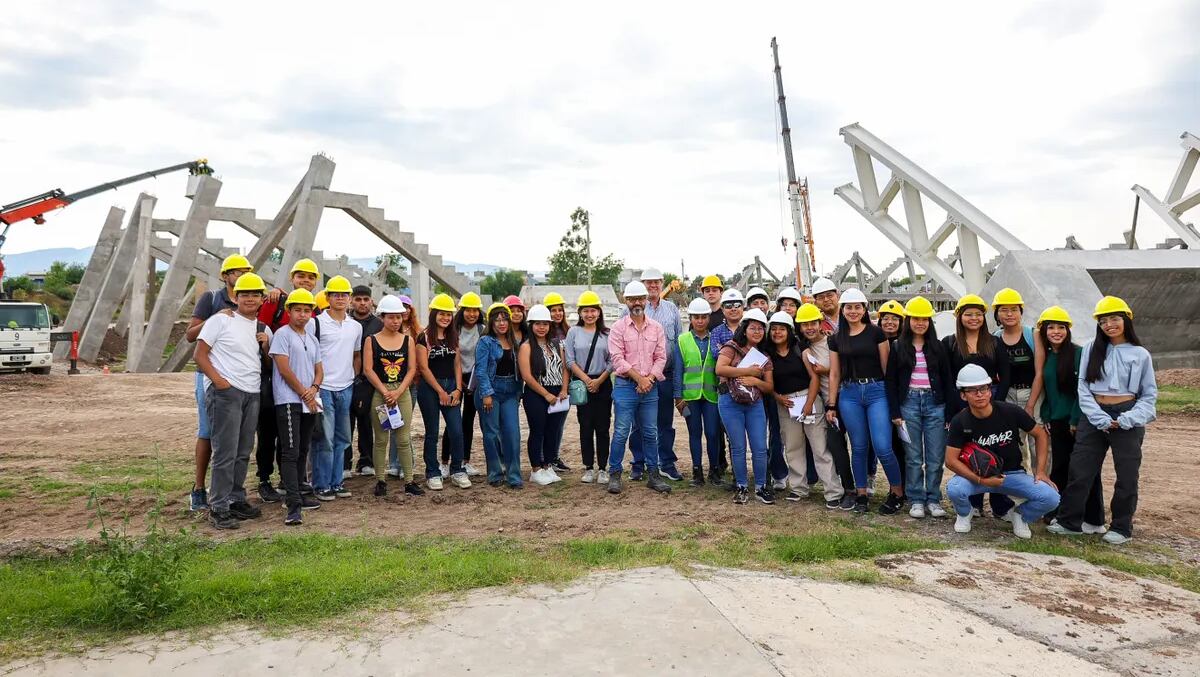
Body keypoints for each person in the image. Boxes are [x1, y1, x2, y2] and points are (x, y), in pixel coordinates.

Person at [1049, 296, 1156, 545]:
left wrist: (1129, 418)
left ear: (1126, 321)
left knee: (1127, 474)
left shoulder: (1140, 354)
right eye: (1104, 321)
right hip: (1094, 414)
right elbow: (1083, 386)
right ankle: (1070, 521)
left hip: (1127, 414)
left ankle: (1121, 526)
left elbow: (1149, 394)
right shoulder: (1091, 348)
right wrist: (1097, 416)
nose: (1109, 325)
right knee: (1081, 469)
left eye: (1114, 319)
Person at [194, 272, 271, 530]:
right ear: (235, 297)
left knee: (242, 451)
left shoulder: (263, 328)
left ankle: (236, 498)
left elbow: (269, 364)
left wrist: (266, 347)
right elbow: (200, 354)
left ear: (262, 299)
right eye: (245, 294)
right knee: (225, 451)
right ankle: (218, 506)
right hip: (227, 393)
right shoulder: (220, 320)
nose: (250, 298)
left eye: (255, 294)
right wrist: (219, 382)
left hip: (252, 393)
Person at [945, 364, 1059, 539]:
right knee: (954, 488)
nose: (979, 394)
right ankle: (964, 512)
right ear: (963, 395)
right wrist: (981, 479)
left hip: (1013, 473)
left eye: (983, 388)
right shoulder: (960, 421)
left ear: (990, 390)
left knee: (1051, 497)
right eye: (972, 390)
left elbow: (1040, 434)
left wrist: (1041, 471)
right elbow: (950, 461)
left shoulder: (1009, 411)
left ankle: (1020, 515)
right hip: (978, 475)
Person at [184, 254, 253, 512]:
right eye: (236, 271)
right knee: (208, 432)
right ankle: (199, 489)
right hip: (211, 378)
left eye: (246, 271)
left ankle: (232, 494)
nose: (241, 275)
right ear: (225, 276)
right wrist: (217, 318)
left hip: (241, 381)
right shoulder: (212, 299)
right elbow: (190, 336)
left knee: (236, 440)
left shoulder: (251, 299)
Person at [826, 288, 904, 515]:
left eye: (857, 307)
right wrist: (831, 404)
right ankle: (861, 494)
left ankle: (897, 492)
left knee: (882, 446)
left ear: (864, 309)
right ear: (843, 310)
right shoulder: (835, 339)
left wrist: (893, 402)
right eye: (849, 307)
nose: (853, 311)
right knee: (858, 447)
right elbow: (834, 374)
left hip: (877, 391)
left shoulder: (876, 333)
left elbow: (886, 368)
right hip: (849, 394)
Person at [256, 259, 322, 502]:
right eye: (301, 276)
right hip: (272, 378)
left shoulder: (314, 312)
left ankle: (290, 481)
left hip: (302, 386)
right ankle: (264, 479)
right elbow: (259, 331)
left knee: (293, 440)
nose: (305, 280)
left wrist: (313, 387)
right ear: (292, 278)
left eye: (310, 277)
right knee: (268, 433)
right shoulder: (275, 303)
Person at [944, 294, 1012, 518]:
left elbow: (1005, 374)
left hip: (990, 402)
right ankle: (973, 503)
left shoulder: (994, 343)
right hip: (962, 405)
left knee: (996, 451)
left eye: (978, 314)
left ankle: (1000, 504)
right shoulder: (950, 343)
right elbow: (948, 379)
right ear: (960, 317)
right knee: (970, 452)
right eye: (968, 314)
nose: (974, 318)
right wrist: (957, 408)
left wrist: (997, 405)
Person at [1034, 307, 1103, 528]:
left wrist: (1075, 419)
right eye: (1051, 327)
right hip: (1056, 421)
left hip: (1076, 421)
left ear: (1068, 330)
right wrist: (1045, 415)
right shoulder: (1046, 356)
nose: (1056, 332)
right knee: (1061, 468)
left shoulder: (1078, 353)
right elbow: (1049, 392)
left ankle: (1094, 518)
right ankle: (1059, 512)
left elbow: (1082, 391)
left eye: (1061, 327)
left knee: (1085, 469)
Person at [885, 296, 952, 518]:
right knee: (913, 456)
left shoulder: (939, 347)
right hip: (909, 403)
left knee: (935, 457)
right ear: (908, 321)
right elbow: (891, 381)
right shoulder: (897, 347)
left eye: (924, 319)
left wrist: (949, 411)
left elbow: (947, 379)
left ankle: (933, 498)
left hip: (935, 404)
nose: (920, 323)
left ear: (930, 322)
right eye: (915, 319)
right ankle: (915, 498)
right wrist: (895, 411)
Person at [768, 311, 843, 508]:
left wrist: (809, 403)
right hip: (786, 405)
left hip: (809, 400)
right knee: (793, 448)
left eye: (781, 329)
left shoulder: (801, 349)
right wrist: (778, 398)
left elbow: (815, 377)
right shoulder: (768, 354)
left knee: (820, 448)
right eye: (774, 329)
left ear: (789, 331)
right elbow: (767, 383)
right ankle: (799, 488)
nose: (777, 333)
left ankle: (833, 491)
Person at [605, 280, 671, 495]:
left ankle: (653, 474)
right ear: (626, 301)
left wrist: (649, 379)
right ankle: (614, 473)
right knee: (622, 432)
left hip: (649, 387)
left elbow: (661, 356)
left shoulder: (657, 328)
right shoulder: (618, 328)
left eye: (640, 299)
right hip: (626, 386)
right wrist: (639, 378)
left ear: (646, 300)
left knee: (651, 432)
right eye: (632, 299)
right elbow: (617, 359)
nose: (637, 303)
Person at [269, 288, 325, 524]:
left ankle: (300, 492)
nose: (302, 315)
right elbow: (284, 368)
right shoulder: (282, 335)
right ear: (289, 311)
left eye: (306, 310)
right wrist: (304, 392)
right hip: (289, 401)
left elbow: (319, 369)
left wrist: (314, 388)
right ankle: (292, 505)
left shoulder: (311, 338)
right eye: (298, 310)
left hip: (308, 401)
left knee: (303, 449)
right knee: (290, 451)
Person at [622, 268, 683, 481]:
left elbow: (678, 342)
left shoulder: (672, 310)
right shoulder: (630, 308)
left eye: (656, 282)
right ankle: (639, 464)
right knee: (638, 424)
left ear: (662, 283)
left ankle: (666, 462)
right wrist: (639, 378)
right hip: (636, 379)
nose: (653, 286)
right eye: (648, 283)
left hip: (664, 375)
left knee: (665, 422)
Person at [362, 295, 422, 497]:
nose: (396, 321)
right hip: (381, 393)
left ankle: (409, 480)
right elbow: (368, 369)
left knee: (403, 438)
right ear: (383, 317)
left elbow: (412, 369)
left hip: (401, 393)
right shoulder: (371, 341)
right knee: (381, 439)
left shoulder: (408, 340)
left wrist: (398, 391)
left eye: (399, 317)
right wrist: (385, 391)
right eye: (391, 317)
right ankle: (380, 480)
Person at [797, 303, 856, 510]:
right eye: (805, 325)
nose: (809, 328)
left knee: (858, 445)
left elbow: (844, 368)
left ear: (820, 323)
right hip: (829, 402)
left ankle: (864, 487)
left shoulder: (834, 341)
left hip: (847, 397)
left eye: (812, 323)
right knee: (836, 446)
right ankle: (848, 489)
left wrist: (826, 369)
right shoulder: (805, 350)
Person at [310, 275, 362, 502]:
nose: (340, 298)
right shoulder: (316, 323)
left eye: (344, 294)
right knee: (325, 439)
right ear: (328, 297)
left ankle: (337, 482)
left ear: (349, 298)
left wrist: (353, 376)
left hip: (346, 387)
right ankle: (321, 484)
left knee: (343, 438)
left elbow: (356, 355)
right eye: (336, 294)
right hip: (324, 388)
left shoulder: (355, 327)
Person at [715, 308, 775, 504]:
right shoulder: (731, 347)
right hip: (729, 402)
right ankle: (741, 486)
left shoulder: (764, 355)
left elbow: (769, 386)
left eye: (760, 329)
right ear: (745, 329)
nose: (757, 332)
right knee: (738, 446)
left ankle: (760, 487)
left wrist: (755, 381)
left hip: (754, 403)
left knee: (759, 447)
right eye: (753, 328)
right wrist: (747, 370)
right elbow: (720, 369)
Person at [416, 293, 468, 490]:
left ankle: (457, 470)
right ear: (433, 314)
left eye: (449, 314)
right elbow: (424, 368)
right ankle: (432, 472)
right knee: (432, 432)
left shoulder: (452, 336)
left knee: (456, 430)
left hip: (451, 386)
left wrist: (457, 388)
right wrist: (440, 391)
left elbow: (457, 364)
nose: (446, 318)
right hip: (430, 389)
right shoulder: (423, 337)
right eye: (442, 314)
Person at [520, 305, 571, 485]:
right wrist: (546, 394)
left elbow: (565, 368)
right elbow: (527, 376)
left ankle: (547, 465)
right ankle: (536, 469)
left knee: (553, 431)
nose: (542, 327)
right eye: (538, 324)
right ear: (531, 325)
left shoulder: (557, 344)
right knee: (538, 431)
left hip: (558, 392)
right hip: (536, 394)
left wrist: (564, 389)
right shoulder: (526, 347)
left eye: (545, 324)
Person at [475, 303, 524, 488]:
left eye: (505, 319)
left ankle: (514, 475)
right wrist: (486, 393)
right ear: (491, 322)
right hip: (491, 390)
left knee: (512, 433)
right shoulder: (485, 341)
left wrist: (519, 391)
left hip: (510, 390)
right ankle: (495, 473)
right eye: (497, 319)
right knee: (492, 433)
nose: (502, 323)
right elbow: (481, 370)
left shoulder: (514, 342)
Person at [566, 291, 612, 484]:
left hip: (603, 383)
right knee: (585, 426)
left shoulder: (607, 334)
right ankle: (588, 467)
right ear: (580, 313)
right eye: (586, 311)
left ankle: (603, 468)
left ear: (599, 312)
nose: (590, 314)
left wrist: (599, 380)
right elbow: (569, 360)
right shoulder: (573, 332)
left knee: (603, 427)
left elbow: (613, 361)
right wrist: (586, 380)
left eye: (593, 310)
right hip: (581, 384)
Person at [675, 298, 720, 487]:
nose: (700, 321)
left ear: (708, 318)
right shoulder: (682, 340)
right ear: (690, 318)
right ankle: (697, 472)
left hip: (711, 395)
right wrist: (678, 397)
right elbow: (678, 371)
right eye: (696, 317)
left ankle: (715, 471)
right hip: (690, 397)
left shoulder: (716, 339)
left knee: (712, 433)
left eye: (703, 317)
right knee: (695, 434)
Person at [993, 288, 1039, 465]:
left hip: (1032, 393)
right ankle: (1019, 488)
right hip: (1009, 395)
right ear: (997, 314)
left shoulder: (1032, 335)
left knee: (1037, 442)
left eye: (1014, 309)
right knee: (1014, 442)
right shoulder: (996, 338)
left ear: (1021, 312)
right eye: (1004, 310)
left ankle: (1040, 487)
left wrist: (1031, 404)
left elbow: (1040, 371)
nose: (1009, 314)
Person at [441, 292, 484, 478]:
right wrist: (460, 382)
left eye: (475, 310)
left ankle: (465, 461)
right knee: (452, 422)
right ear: (461, 311)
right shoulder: (453, 329)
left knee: (468, 422)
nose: (472, 314)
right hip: (456, 378)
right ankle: (444, 462)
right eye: (468, 310)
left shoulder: (483, 329)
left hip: (475, 380)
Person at [349, 286, 383, 477]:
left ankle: (366, 461)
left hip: (370, 380)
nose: (362, 303)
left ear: (371, 301)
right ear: (351, 301)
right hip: (345, 378)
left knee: (367, 422)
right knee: (346, 423)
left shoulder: (378, 324)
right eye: (358, 299)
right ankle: (345, 463)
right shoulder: (344, 322)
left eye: (365, 299)